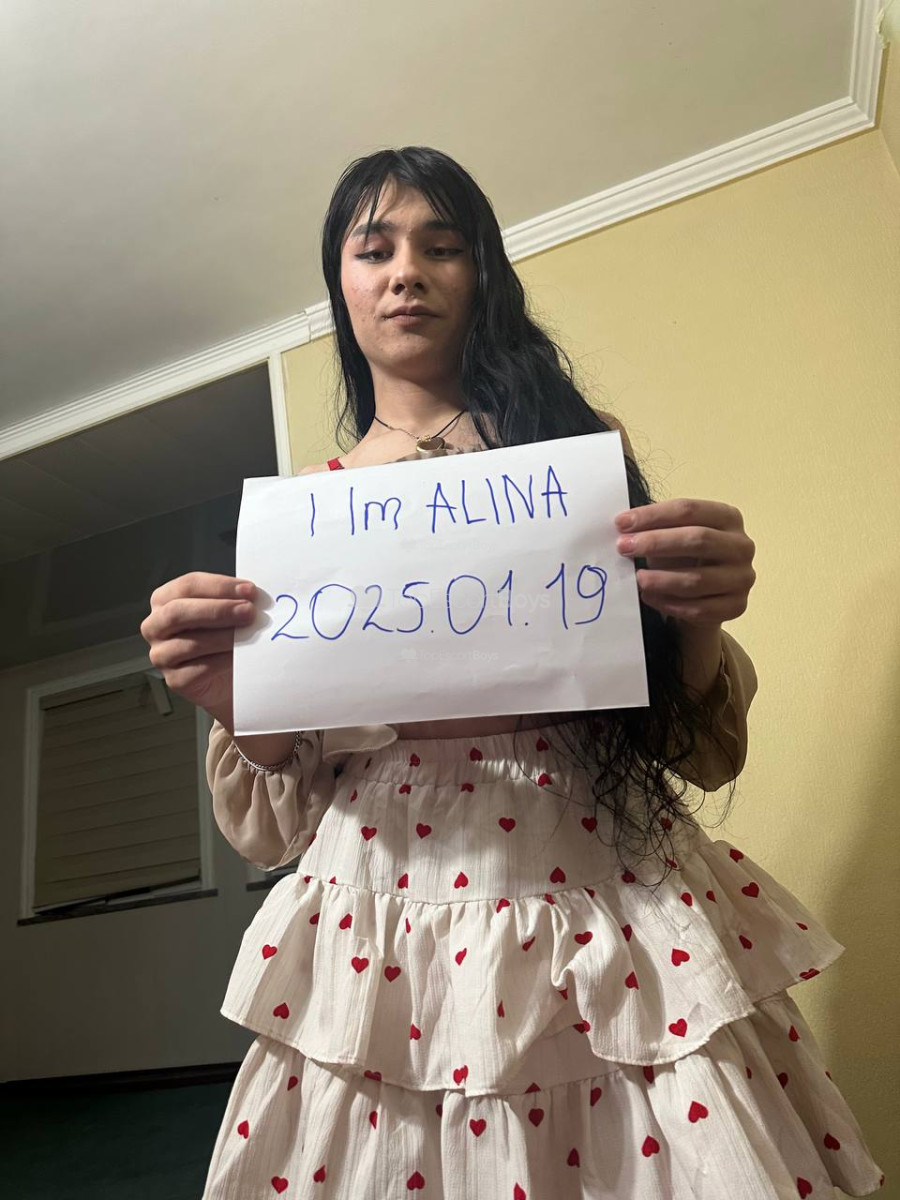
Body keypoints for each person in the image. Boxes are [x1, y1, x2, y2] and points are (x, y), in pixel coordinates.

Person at [140, 147, 884, 1198]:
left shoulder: (575, 452)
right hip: (387, 898)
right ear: (340, 286)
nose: (407, 271)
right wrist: (233, 700)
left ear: (482, 272)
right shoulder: (310, 509)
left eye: (442, 246)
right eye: (374, 250)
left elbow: (695, 749)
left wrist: (698, 620)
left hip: (601, 867)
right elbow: (274, 821)